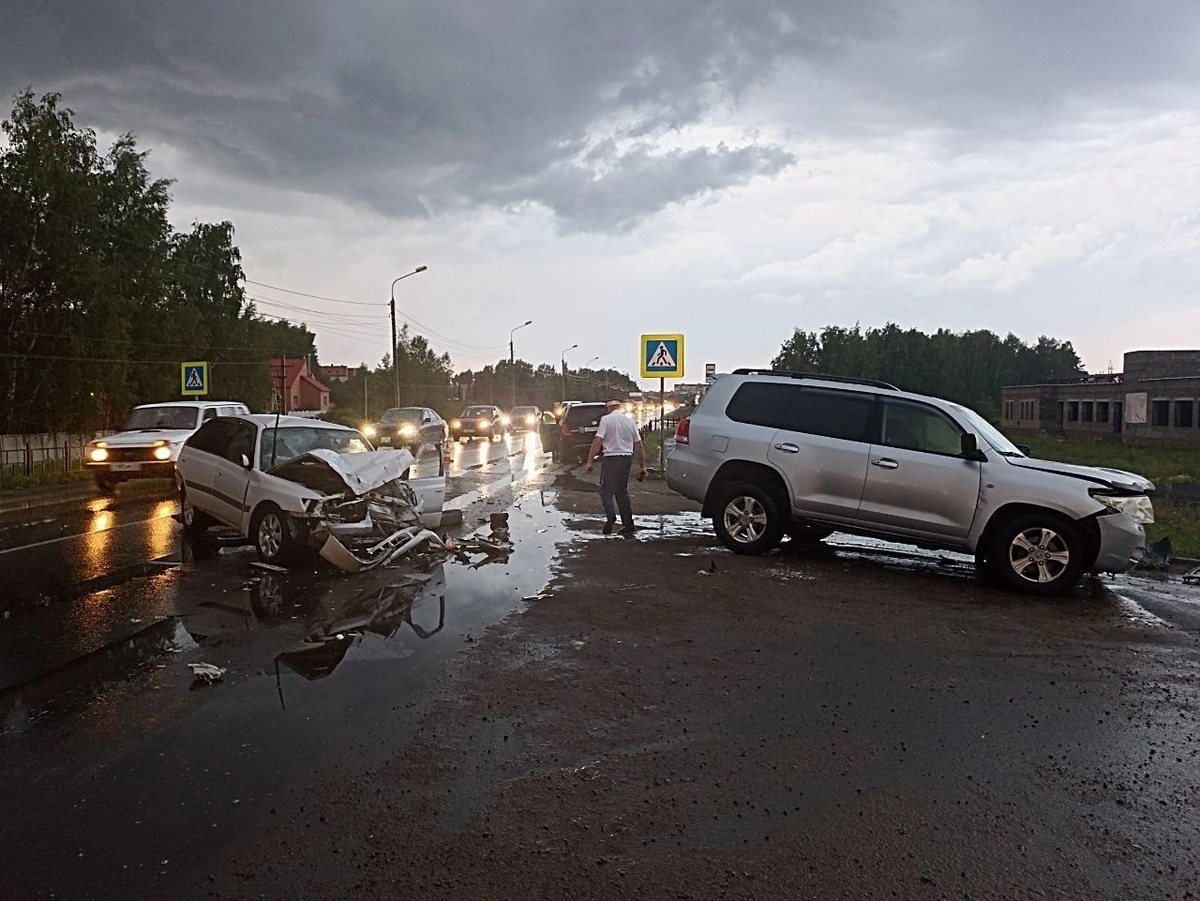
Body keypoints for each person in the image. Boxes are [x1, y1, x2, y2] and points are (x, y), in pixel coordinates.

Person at [584, 400, 648, 536]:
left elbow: (598, 440)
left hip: (611, 459)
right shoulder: (629, 422)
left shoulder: (606, 420)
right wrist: (642, 466)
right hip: (626, 459)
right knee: (621, 491)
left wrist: (589, 461)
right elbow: (639, 444)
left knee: (606, 491)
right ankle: (628, 525)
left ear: (610, 408)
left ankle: (611, 516)